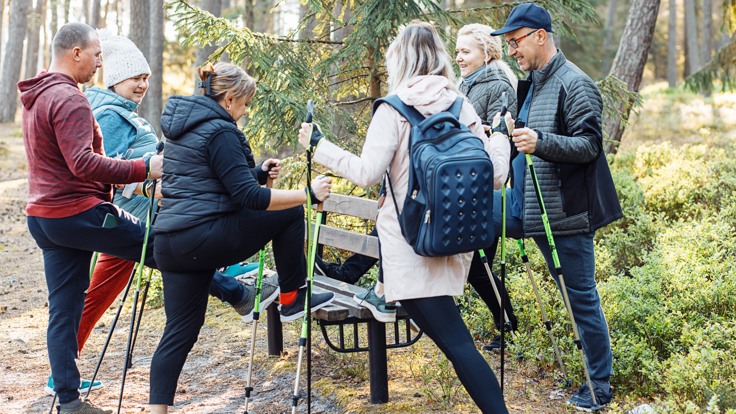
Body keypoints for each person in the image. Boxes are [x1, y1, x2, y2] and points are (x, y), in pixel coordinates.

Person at [53, 30, 279, 397]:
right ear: (115, 81)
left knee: (102, 291)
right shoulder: (109, 114)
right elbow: (104, 167)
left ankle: (62, 370)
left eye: (146, 78)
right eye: (135, 79)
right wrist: (145, 182)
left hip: (140, 215)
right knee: (177, 257)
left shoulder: (123, 112)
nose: (143, 85)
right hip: (132, 216)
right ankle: (238, 289)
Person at [299, 21, 510, 413]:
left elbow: (367, 174)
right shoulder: (460, 105)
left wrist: (319, 146)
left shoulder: (393, 109)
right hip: (454, 240)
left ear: (401, 59)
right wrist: (500, 136)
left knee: (459, 346)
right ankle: (381, 293)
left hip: (411, 246)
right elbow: (496, 176)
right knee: (454, 343)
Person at [148, 62, 335, 413]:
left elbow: (212, 183)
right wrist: (306, 195)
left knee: (180, 333)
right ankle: (293, 298)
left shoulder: (181, 128)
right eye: (244, 104)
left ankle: (157, 410)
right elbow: (249, 198)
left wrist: (257, 173)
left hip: (171, 243)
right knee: (291, 211)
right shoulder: (220, 130)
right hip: (202, 237)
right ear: (229, 98)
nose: (244, 112)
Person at [19, 22, 163, 414]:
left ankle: (68, 399)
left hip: (46, 218)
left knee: (64, 309)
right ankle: (235, 292)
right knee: (159, 245)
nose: (100, 63)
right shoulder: (68, 98)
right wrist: (145, 167)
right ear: (76, 53)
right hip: (80, 212)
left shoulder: (38, 96)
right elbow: (83, 163)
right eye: (97, 55)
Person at [491, 3, 622, 410]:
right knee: (471, 215)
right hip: (524, 206)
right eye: (509, 44)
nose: (512, 51)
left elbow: (590, 146)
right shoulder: (533, 83)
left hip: (563, 215)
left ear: (540, 36)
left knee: (580, 298)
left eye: (516, 42)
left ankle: (599, 385)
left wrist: (540, 142)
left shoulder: (575, 84)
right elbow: (527, 132)